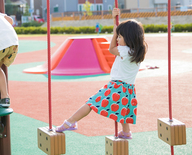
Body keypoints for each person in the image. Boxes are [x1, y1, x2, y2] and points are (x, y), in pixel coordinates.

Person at [55, 8, 148, 139]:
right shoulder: (138, 51)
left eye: (120, 37)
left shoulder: (124, 50)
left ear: (129, 38)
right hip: (128, 88)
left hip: (117, 86)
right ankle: (126, 131)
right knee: (122, 110)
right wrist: (116, 23)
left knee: (91, 103)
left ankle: (70, 121)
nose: (118, 39)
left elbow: (111, 49)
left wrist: (115, 33)